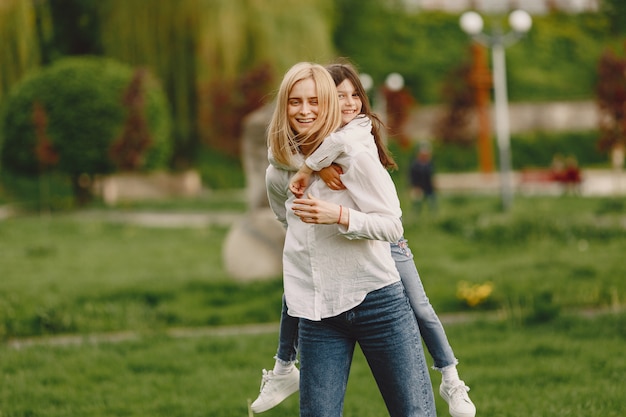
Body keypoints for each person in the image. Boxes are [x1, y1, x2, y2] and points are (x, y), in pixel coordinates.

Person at [262, 61, 436, 417]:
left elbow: (392, 226)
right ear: (284, 107)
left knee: (413, 412)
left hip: (378, 301)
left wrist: (338, 217)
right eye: (295, 102)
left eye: (315, 101)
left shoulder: (354, 155)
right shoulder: (279, 172)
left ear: (329, 104)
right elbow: (289, 226)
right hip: (318, 313)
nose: (305, 110)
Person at [409, 142, 437, 214]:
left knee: (432, 203)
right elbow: (412, 177)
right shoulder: (415, 165)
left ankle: (433, 216)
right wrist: (415, 186)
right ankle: (416, 216)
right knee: (417, 204)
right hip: (419, 187)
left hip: (429, 187)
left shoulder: (429, 163)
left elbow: (431, 175)